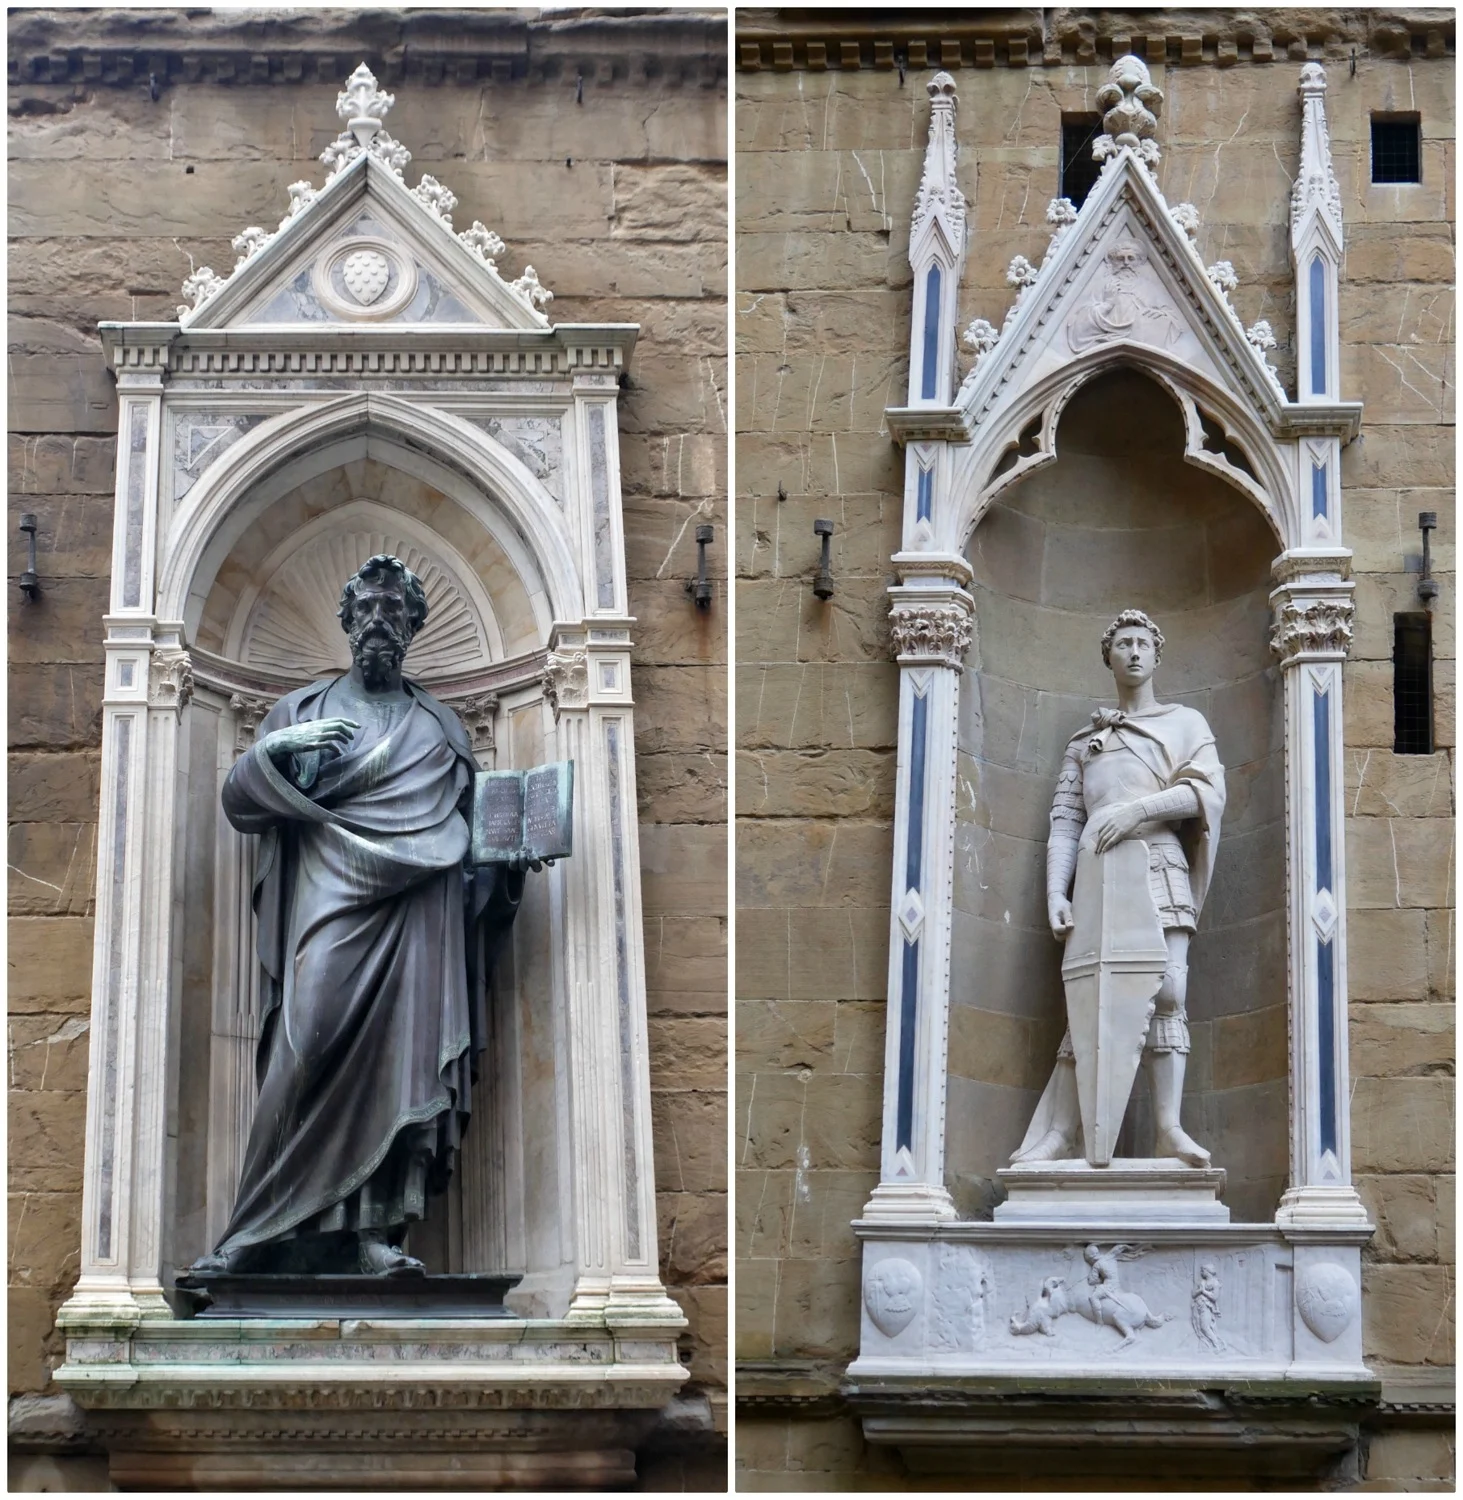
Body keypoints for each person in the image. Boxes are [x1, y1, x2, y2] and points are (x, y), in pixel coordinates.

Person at [188, 554, 523, 1277]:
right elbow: (243, 803)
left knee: (406, 1068)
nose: (379, 620)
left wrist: (505, 866)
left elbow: (470, 848)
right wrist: (272, 752)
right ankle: (254, 1231)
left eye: (394, 611)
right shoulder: (300, 713)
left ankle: (379, 1232)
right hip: (329, 902)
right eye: (367, 609)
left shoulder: (440, 727)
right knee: (302, 1047)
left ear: (413, 626)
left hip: (420, 917)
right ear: (346, 621)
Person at [1013, 608, 1225, 1168]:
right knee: (1091, 1000)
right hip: (1098, 877)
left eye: (1142, 643)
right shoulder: (1085, 740)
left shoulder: (1185, 724)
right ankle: (1062, 1132)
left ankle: (1168, 1129)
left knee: (1169, 993)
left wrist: (1136, 812)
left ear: (1157, 654)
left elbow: (1203, 795)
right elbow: (1065, 819)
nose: (1133, 652)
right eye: (1123, 643)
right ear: (1108, 657)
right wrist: (1056, 892)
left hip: (1159, 862)